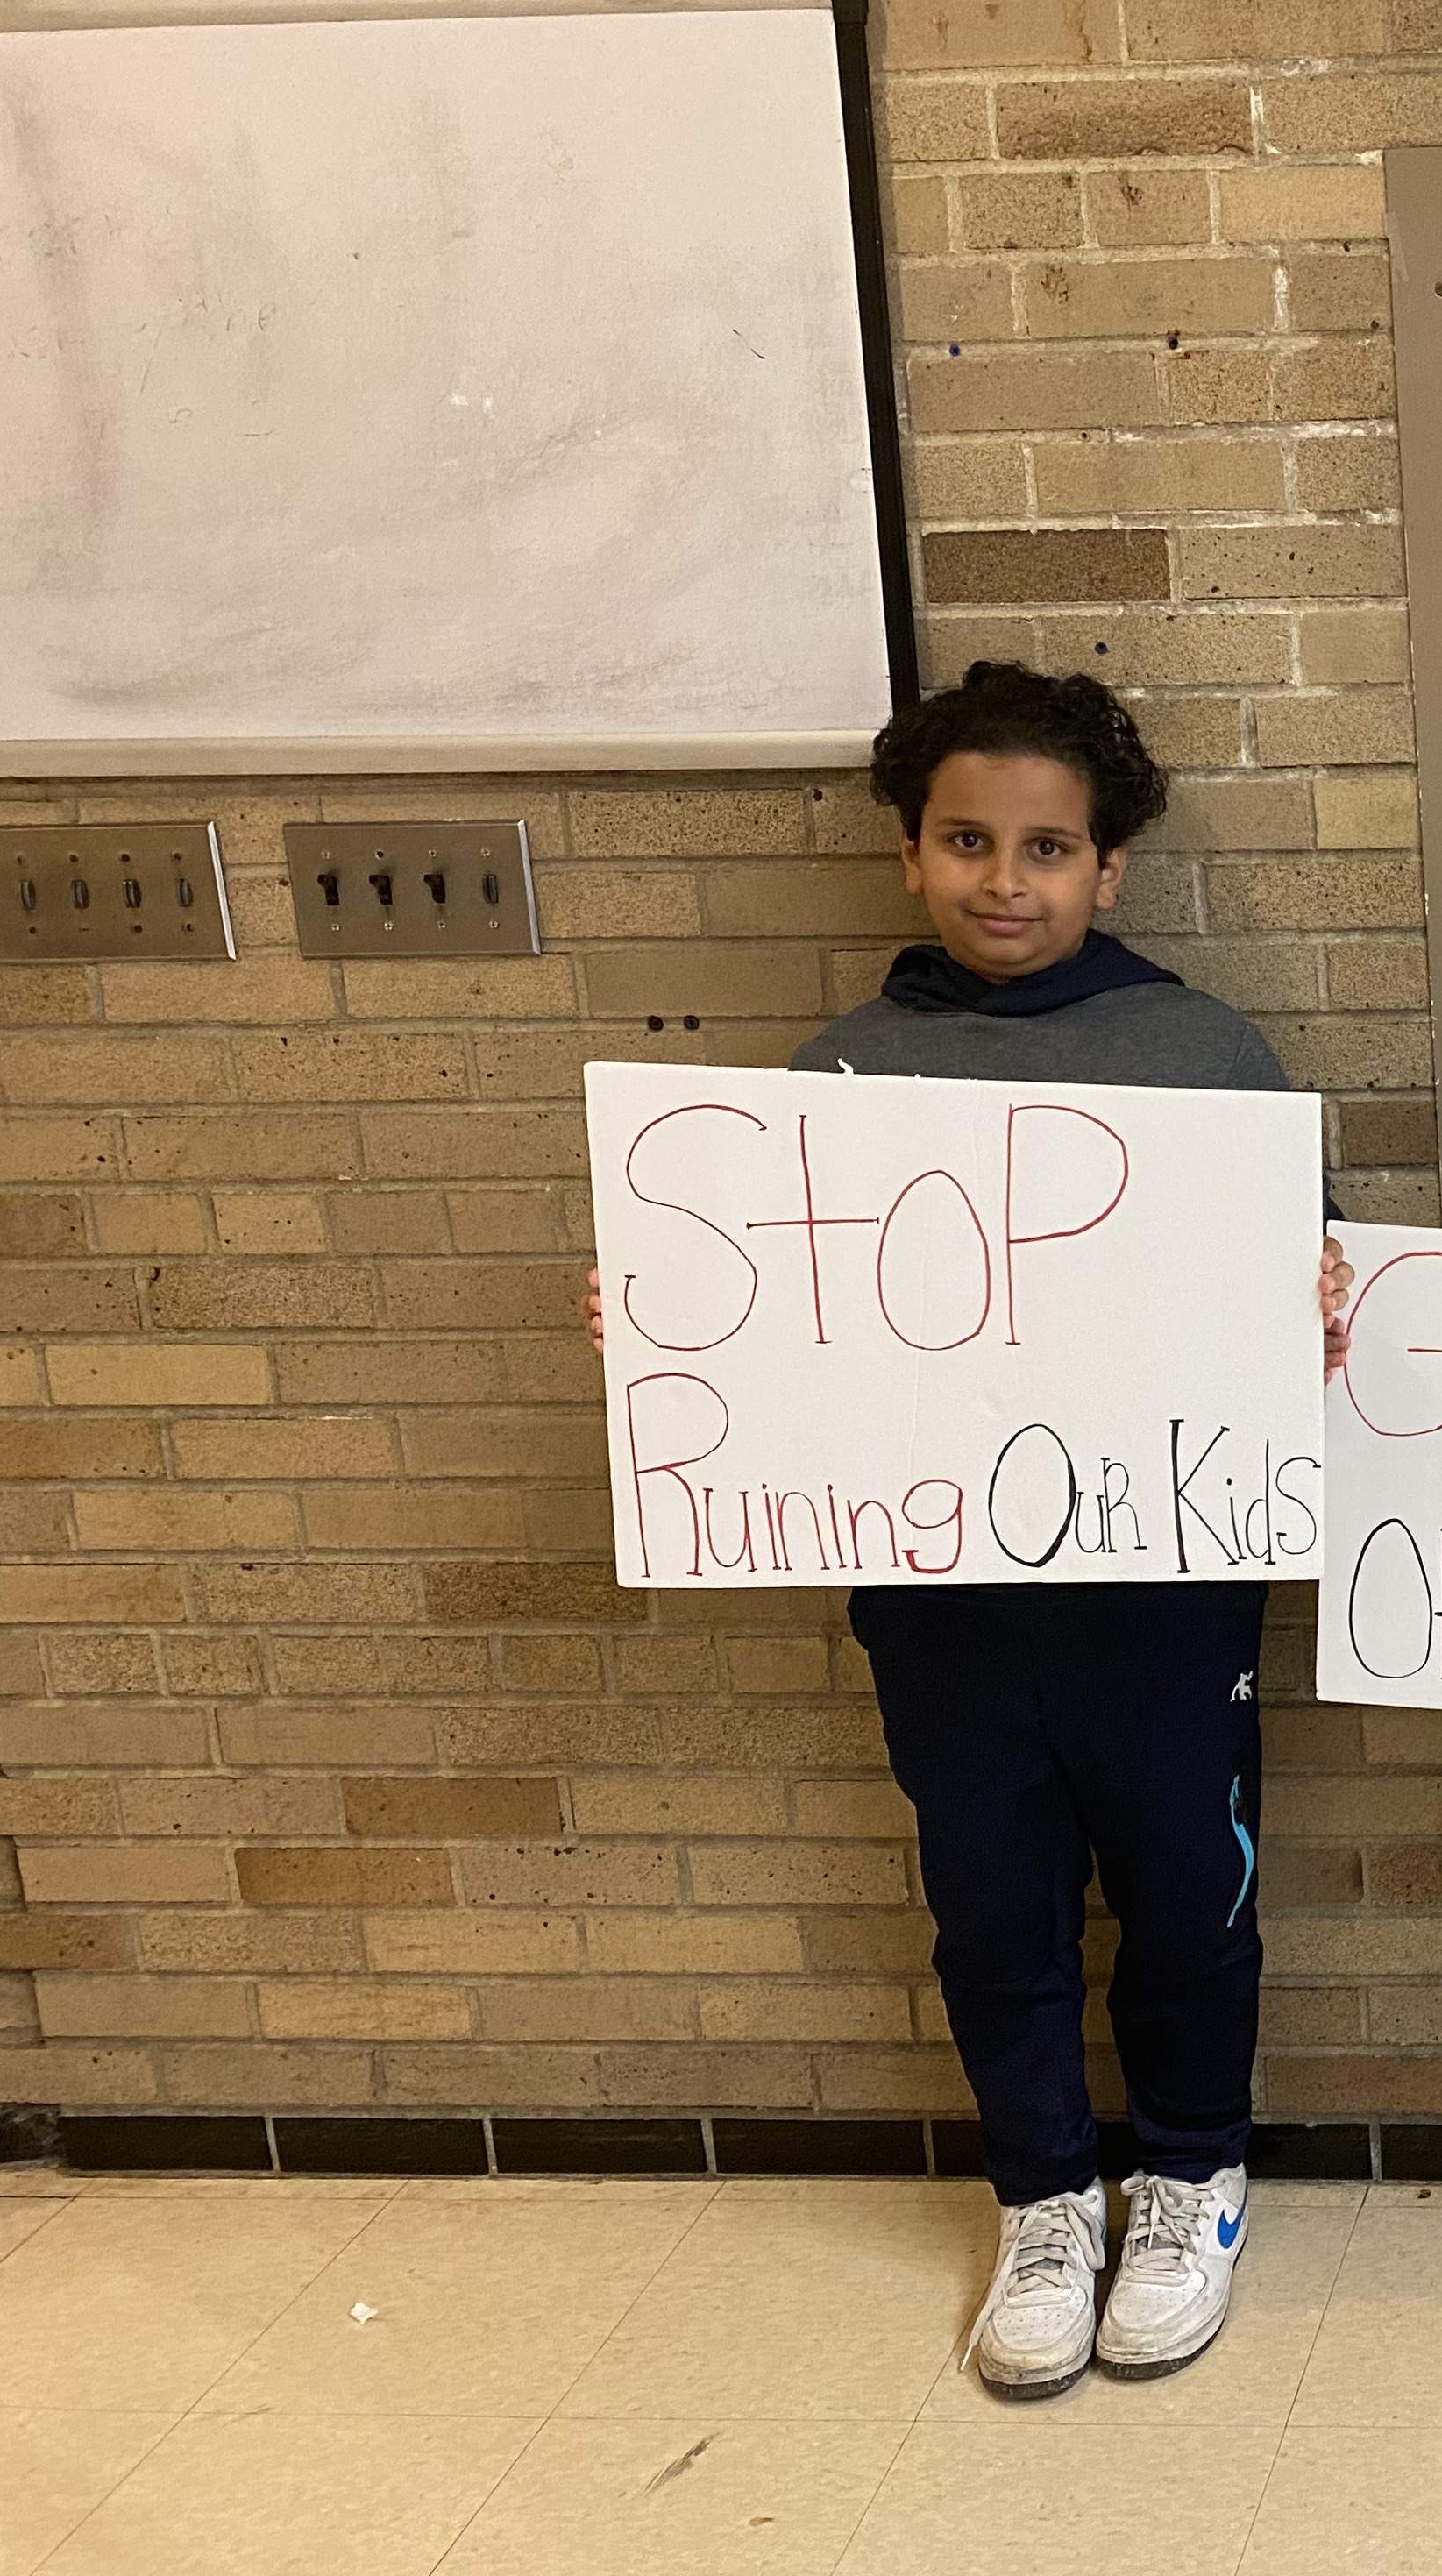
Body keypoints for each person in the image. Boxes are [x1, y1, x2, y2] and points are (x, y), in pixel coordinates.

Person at [587, 662, 1352, 2402]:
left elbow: (1299, 1319)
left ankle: (1189, 2175)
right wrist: (666, 1325)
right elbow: (776, 1336)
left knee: (1187, 1897)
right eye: (967, 841)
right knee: (991, 1905)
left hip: (1162, 1600)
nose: (1007, 880)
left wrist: (1319, 1299)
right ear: (911, 851)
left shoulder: (1203, 1052)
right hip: (941, 1604)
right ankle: (1044, 2196)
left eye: (1049, 848)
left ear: (1112, 870)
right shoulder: (836, 1075)